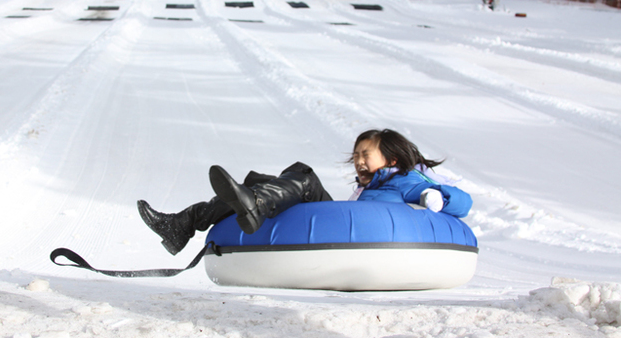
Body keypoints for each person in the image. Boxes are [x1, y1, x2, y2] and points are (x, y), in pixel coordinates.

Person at [138, 129, 472, 256]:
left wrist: (437, 199)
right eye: (355, 155)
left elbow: (462, 202)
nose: (357, 161)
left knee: (304, 177)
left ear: (391, 159)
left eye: (365, 155)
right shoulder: (366, 188)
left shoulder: (406, 181)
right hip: (344, 228)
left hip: (366, 233)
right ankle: (184, 223)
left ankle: (254, 204)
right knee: (259, 181)